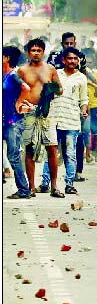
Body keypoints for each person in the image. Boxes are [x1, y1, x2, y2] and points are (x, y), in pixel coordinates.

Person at [16, 39, 65, 198]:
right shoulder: (22, 70)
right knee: (29, 148)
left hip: (47, 111)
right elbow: (17, 91)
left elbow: (60, 90)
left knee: (51, 148)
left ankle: (54, 186)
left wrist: (51, 86)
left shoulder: (50, 69)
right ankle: (31, 187)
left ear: (43, 52)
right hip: (28, 111)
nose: (36, 53)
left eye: (39, 50)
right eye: (33, 50)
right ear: (28, 52)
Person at [38, 48, 88, 195]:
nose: (72, 61)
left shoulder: (81, 78)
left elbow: (84, 99)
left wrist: (84, 110)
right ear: (63, 60)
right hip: (53, 118)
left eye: (75, 59)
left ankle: (69, 184)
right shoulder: (55, 74)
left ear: (78, 61)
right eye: (69, 58)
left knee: (70, 154)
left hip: (72, 120)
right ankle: (45, 183)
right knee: (51, 152)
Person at [3, 46, 32, 199]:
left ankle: (24, 190)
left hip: (13, 121)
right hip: (5, 119)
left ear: (7, 58)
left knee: (13, 156)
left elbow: (25, 88)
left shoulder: (13, 75)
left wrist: (19, 102)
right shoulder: (4, 75)